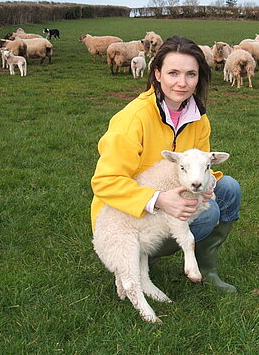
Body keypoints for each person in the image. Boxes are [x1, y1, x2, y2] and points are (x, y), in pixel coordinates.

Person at [90, 35, 241, 293]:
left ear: (199, 77)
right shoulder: (133, 119)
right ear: (157, 74)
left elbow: (199, 165)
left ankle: (207, 270)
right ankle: (143, 255)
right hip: (129, 216)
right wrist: (158, 199)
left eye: (191, 74)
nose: (182, 83)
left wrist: (210, 182)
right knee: (210, 213)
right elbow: (105, 182)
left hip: (174, 192)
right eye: (173, 73)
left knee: (228, 189)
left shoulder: (198, 118)